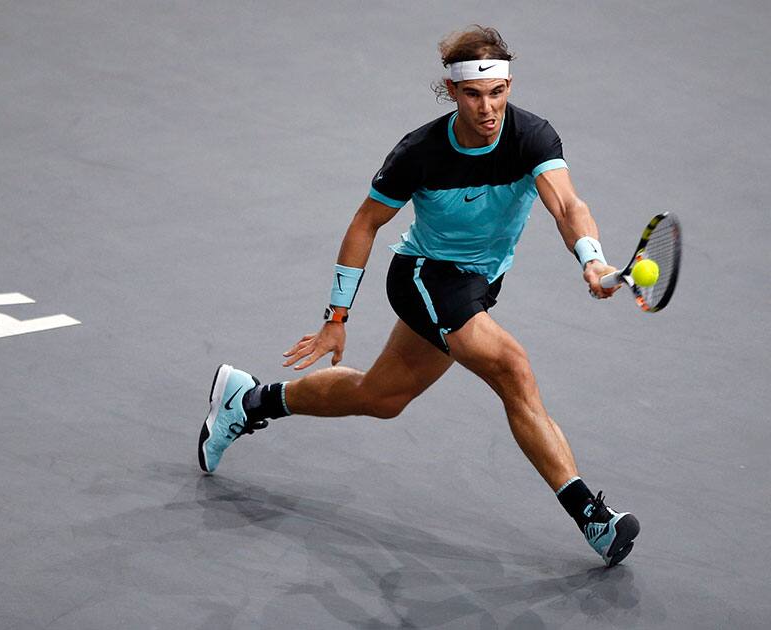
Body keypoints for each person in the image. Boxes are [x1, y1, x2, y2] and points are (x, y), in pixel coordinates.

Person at [197, 25, 639, 567]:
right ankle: (590, 516)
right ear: (451, 92)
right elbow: (365, 223)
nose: (488, 108)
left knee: (380, 398)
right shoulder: (420, 152)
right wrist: (336, 315)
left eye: (497, 92)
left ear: (509, 86)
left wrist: (591, 258)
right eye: (473, 95)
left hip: (477, 285)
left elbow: (567, 205)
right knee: (512, 369)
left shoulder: (533, 138)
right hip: (424, 277)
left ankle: (248, 400)